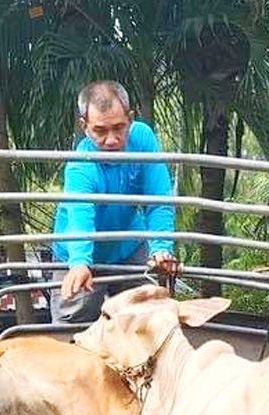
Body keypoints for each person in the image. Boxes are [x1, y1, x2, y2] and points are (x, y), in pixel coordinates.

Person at [51, 79, 178, 324]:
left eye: (119, 128)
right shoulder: (80, 167)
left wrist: (161, 248)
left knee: (151, 318)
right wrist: (80, 264)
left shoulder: (143, 139)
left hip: (129, 247)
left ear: (130, 118)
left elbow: (158, 199)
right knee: (72, 324)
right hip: (80, 253)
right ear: (84, 126)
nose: (111, 140)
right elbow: (80, 220)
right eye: (100, 131)